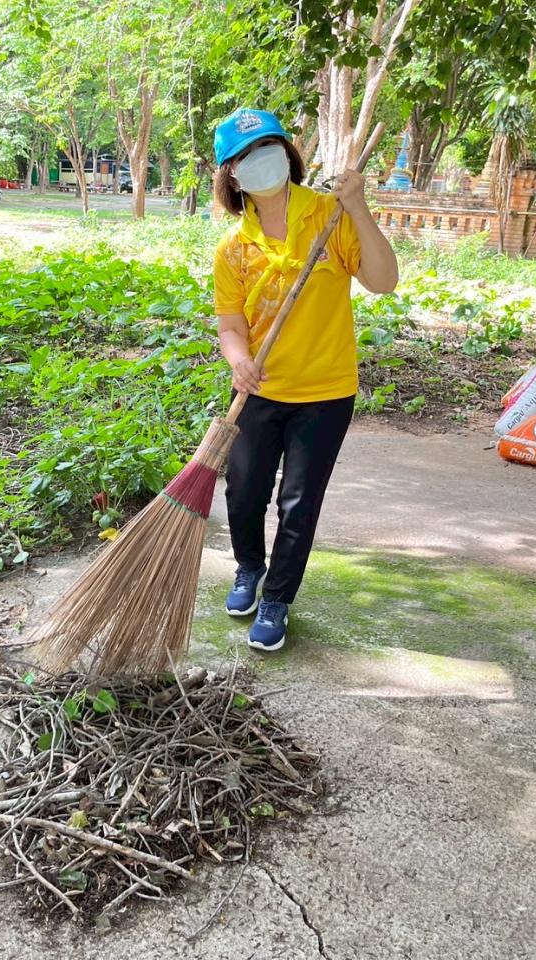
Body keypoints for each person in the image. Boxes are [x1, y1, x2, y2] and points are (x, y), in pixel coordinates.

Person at [212, 108, 399, 652]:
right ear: (231, 173)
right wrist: (237, 359)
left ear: (288, 154)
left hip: (325, 393)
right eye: (246, 155)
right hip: (258, 390)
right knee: (244, 493)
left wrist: (359, 208)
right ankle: (249, 569)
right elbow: (230, 323)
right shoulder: (233, 248)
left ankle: (277, 597)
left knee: (299, 501)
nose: (261, 160)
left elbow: (383, 281)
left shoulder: (329, 216)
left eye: (269, 146)